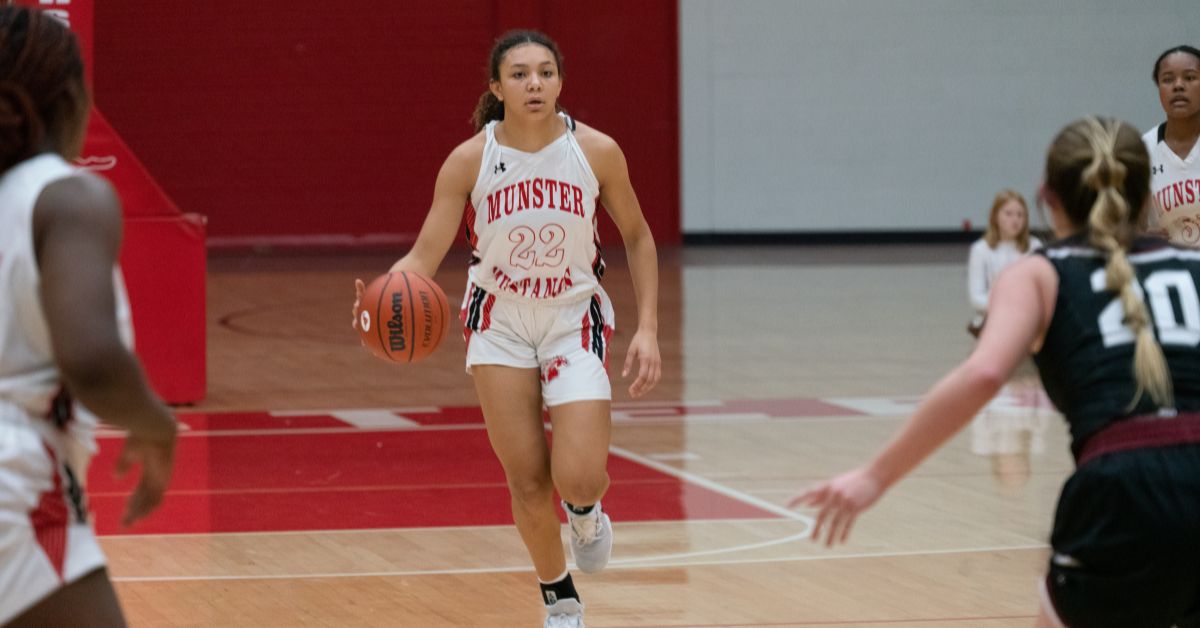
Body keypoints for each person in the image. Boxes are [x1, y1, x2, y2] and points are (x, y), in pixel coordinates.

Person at [794, 116, 1200, 627]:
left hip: (1122, 489)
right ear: (1148, 197)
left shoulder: (1037, 272)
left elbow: (985, 374)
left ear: (1045, 196)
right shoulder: (1193, 265)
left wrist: (875, 476)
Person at [355, 30, 661, 628]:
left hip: (573, 318)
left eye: (545, 73)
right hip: (498, 324)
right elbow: (424, 254)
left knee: (577, 474)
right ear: (497, 88)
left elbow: (640, 236)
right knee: (525, 479)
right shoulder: (470, 160)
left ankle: (586, 512)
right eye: (519, 75)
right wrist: (379, 296)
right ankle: (560, 599)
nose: (534, 84)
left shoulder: (595, 151)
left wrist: (648, 327)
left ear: (560, 83)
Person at [0, 6, 178, 627]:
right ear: (67, 98)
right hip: (15, 484)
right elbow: (91, 358)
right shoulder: (67, 194)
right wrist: (156, 423)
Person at [1144, 45, 1200, 247]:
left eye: (1190, 77)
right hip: (1167, 267)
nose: (1178, 86)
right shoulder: (1142, 150)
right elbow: (1122, 223)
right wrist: (1138, 236)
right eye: (1168, 79)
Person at [966, 189, 1042, 336]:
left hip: (1028, 319)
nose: (1015, 220)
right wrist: (1008, 309)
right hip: (993, 319)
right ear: (995, 217)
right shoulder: (981, 249)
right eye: (1008, 214)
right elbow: (976, 297)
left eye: (1020, 215)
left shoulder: (1035, 246)